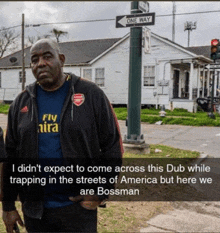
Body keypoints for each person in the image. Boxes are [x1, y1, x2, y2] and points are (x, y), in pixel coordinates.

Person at [2, 39, 123, 233]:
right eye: (34, 60)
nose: (40, 63)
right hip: (34, 211)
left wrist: (101, 189)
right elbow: (10, 157)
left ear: (62, 59)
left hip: (77, 209)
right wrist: (8, 206)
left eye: (47, 57)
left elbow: (112, 146)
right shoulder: (21, 102)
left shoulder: (91, 94)